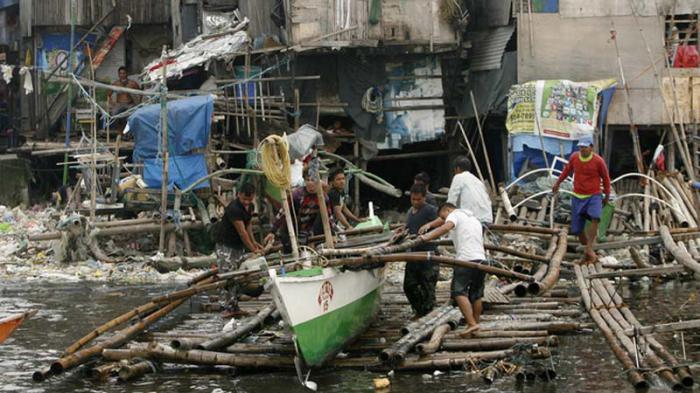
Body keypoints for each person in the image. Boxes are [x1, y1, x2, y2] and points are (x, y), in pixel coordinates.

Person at [419, 203, 485, 336]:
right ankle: (475, 325)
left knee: (458, 292)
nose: (444, 220)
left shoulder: (455, 215)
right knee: (476, 294)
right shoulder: (473, 218)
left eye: (444, 217)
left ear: (447, 210)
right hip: (481, 258)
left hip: (466, 259)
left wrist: (426, 237)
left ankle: (471, 323)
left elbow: (446, 227)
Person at [210, 183, 273, 316]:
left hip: (237, 246)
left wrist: (255, 243)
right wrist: (253, 249)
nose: (246, 202)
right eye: (244, 199)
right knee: (227, 276)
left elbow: (248, 224)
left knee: (237, 275)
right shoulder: (234, 208)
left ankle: (234, 306)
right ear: (239, 194)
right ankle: (226, 307)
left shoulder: (249, 207)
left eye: (249, 200)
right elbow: (242, 232)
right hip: (225, 245)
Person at [552, 135, 611, 263]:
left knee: (595, 217)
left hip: (594, 195)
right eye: (581, 147)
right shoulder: (574, 157)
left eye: (585, 147)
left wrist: (607, 195)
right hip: (578, 195)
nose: (583, 150)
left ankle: (589, 248)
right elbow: (566, 171)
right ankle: (588, 253)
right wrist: (557, 183)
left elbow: (606, 179)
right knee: (577, 229)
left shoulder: (598, 161)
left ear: (591, 148)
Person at [402, 183, 439, 318]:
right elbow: (409, 227)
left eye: (418, 199)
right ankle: (419, 311)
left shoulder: (430, 210)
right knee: (409, 286)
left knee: (428, 288)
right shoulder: (410, 212)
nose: (415, 202)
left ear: (424, 198)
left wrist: (429, 225)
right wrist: (403, 230)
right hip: (414, 254)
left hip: (429, 255)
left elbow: (443, 221)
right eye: (413, 199)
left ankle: (428, 316)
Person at [274, 169, 333, 248]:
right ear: (304, 181)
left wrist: (333, 234)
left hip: (312, 230)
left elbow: (329, 217)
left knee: (323, 214)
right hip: (295, 229)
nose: (310, 183)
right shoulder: (297, 195)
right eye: (308, 180)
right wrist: (272, 231)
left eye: (313, 180)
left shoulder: (323, 197)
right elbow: (283, 213)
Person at [107, 66, 141, 130]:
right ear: (118, 74)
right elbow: (108, 95)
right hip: (119, 104)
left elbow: (140, 93)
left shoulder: (132, 83)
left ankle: (129, 132)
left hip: (130, 104)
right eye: (120, 73)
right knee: (113, 114)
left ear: (127, 74)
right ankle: (119, 131)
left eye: (124, 73)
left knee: (131, 116)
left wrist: (139, 103)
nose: (122, 75)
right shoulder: (116, 83)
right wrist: (112, 103)